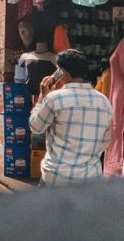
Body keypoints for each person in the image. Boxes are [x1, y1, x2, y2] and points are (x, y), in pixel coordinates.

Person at [29, 49, 113, 186]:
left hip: (56, 177)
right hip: (90, 179)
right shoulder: (104, 102)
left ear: (62, 72)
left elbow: (35, 127)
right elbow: (105, 142)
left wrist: (41, 99)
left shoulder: (53, 99)